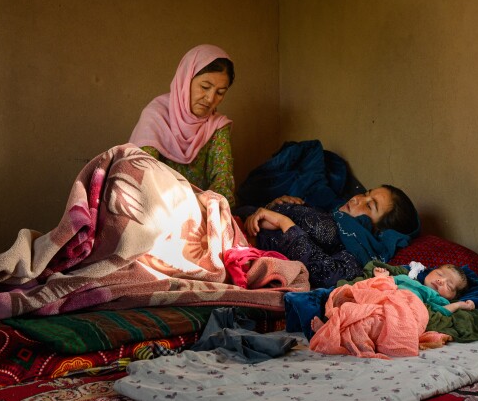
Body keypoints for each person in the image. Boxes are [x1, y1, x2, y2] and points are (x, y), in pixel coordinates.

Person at [244, 185, 420, 288]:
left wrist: (284, 223)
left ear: (378, 231)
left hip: (244, 251)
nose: (358, 199)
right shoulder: (332, 216)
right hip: (240, 225)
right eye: (366, 194)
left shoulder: (357, 257)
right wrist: (277, 206)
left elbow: (327, 274)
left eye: (370, 206)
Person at [129, 44, 237, 207]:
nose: (210, 98)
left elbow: (223, 182)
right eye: (205, 87)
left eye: (220, 92)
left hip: (201, 211)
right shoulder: (156, 116)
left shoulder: (217, 126)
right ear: (186, 80)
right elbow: (142, 173)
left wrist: (203, 206)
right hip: (157, 208)